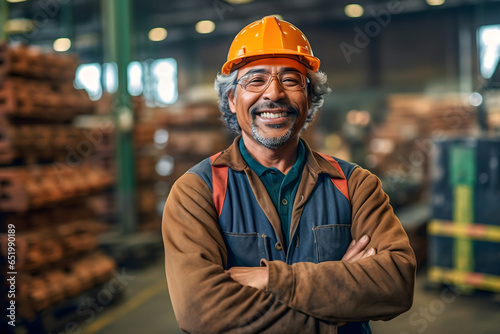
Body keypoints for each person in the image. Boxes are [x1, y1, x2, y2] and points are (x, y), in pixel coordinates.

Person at [162, 16, 416, 334]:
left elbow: (396, 283)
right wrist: (336, 309)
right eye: (255, 80)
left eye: (291, 80)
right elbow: (200, 312)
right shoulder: (196, 192)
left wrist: (271, 279)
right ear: (231, 98)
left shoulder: (355, 185)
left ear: (309, 98)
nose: (275, 94)